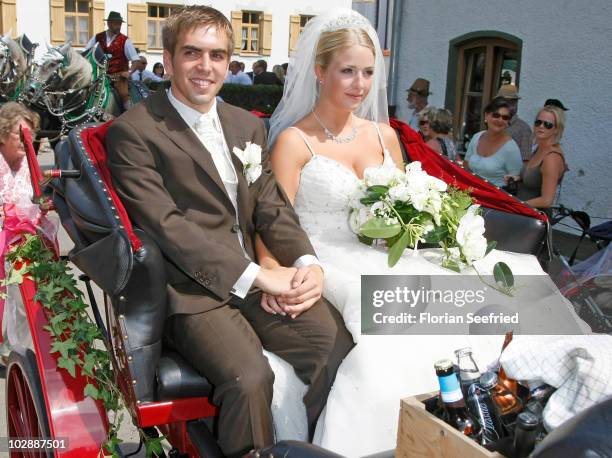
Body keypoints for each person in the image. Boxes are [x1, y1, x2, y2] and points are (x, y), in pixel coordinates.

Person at [263, 9, 561, 455]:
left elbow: (408, 200)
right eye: (347, 71)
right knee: (396, 334)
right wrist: (273, 270)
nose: (360, 84)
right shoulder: (294, 141)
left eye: (367, 72)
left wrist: (423, 221)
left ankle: (490, 423)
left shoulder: (385, 136)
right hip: (325, 256)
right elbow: (271, 220)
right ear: (320, 72)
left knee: (499, 295)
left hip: (387, 250)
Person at [105, 6, 353, 457]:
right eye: (192, 53)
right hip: (191, 292)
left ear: (229, 61)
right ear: (168, 58)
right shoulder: (134, 131)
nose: (205, 66)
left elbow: (271, 206)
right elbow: (167, 226)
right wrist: (258, 277)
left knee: (334, 347)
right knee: (250, 379)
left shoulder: (246, 124)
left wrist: (306, 263)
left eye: (217, 55)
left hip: (258, 280)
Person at [509, 105, 568, 209]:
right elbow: (536, 179)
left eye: (548, 125)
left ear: (556, 129)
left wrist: (516, 205)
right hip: (523, 213)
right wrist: (518, 179)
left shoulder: (551, 158)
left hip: (534, 218)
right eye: (538, 122)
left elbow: (546, 200)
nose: (541, 126)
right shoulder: (539, 149)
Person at [85, 11, 140, 110]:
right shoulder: (97, 37)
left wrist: (129, 72)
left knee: (124, 94)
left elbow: (136, 60)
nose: (118, 26)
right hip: (98, 76)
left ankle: (130, 115)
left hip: (118, 77)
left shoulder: (125, 40)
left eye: (120, 24)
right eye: (116, 23)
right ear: (109, 23)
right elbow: (86, 52)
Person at [464, 97, 523, 187]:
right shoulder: (476, 137)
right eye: (496, 115)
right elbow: (466, 167)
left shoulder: (511, 149)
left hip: (495, 198)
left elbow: (515, 180)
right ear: (486, 115)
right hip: (470, 193)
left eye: (505, 117)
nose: (500, 120)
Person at [496, 84, 533, 162]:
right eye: (500, 102)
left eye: (506, 102)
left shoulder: (524, 129)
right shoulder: (494, 122)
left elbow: (525, 161)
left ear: (514, 104)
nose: (501, 105)